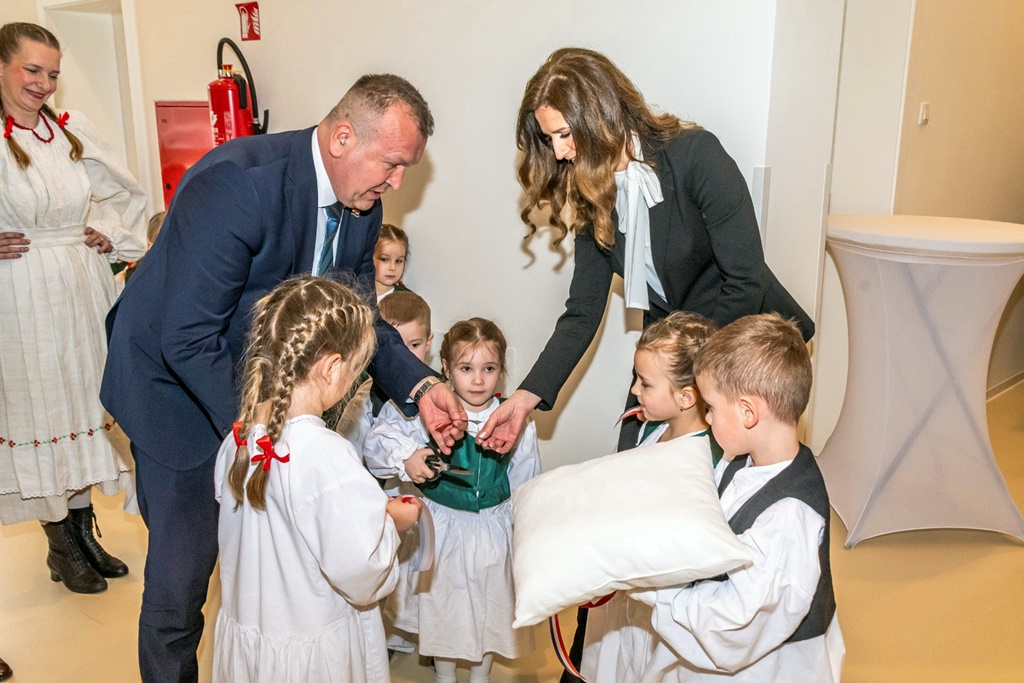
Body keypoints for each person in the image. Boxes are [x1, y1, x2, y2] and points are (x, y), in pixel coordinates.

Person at [100, 73, 467, 682]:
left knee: (268, 562)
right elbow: (188, 338)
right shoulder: (237, 186)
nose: (397, 183)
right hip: (177, 392)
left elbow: (358, 315)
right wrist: (274, 430)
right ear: (343, 137)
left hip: (265, 396)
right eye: (393, 164)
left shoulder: (362, 205)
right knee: (182, 580)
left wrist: (423, 386)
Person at [474, 47, 816, 679]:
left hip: (740, 353)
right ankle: (596, 660)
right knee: (632, 495)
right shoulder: (593, 191)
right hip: (677, 358)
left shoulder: (696, 157)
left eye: (565, 135)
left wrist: (689, 375)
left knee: (714, 518)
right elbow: (582, 312)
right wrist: (523, 398)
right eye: (551, 141)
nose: (562, 153)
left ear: (600, 113)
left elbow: (744, 281)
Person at [213, 275, 422, 682]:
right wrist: (392, 524)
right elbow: (361, 572)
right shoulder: (325, 454)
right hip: (311, 652)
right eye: (356, 368)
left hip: (255, 638)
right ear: (331, 367)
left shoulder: (239, 438)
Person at [0, 22, 147, 594]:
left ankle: (85, 534)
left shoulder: (68, 129)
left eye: (53, 73)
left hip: (81, 290)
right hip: (19, 293)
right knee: (42, 411)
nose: (43, 83)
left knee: (86, 404)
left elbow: (126, 194)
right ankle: (61, 545)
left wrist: (105, 231)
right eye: (32, 70)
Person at [630, 313, 844, 681]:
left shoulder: (789, 516)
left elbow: (735, 623)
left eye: (711, 408)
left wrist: (653, 591)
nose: (707, 419)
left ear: (748, 413)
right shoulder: (740, 461)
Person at [365, 318, 540, 683]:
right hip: (440, 529)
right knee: (442, 608)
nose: (477, 380)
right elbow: (377, 445)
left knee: (489, 608)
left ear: (502, 370)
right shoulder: (425, 410)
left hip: (492, 532)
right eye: (466, 368)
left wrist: (526, 534)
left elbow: (527, 480)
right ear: (445, 367)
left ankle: (480, 676)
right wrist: (408, 457)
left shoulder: (515, 418)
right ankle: (444, 676)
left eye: (488, 368)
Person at [580, 312, 719, 682]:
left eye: (645, 383)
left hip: (661, 599)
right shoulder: (651, 430)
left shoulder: (703, 456)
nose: (635, 390)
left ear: (686, 396)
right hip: (627, 589)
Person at [374, 222, 412, 300]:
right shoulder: (352, 295)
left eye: (398, 261)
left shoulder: (409, 300)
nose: (393, 267)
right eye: (384, 259)